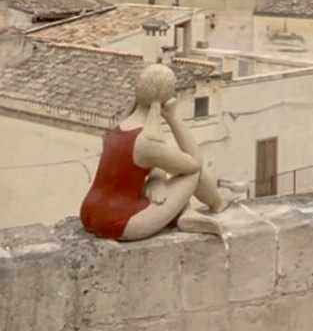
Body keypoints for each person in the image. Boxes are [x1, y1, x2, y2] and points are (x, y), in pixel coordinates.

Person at [80, 63, 230, 241]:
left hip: (89, 213)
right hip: (122, 221)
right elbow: (194, 161)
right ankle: (217, 204)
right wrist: (171, 118)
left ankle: (185, 212)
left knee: (164, 178)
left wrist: (155, 180)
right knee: (195, 172)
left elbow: (149, 165)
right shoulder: (147, 142)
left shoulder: (120, 126)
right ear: (167, 96)